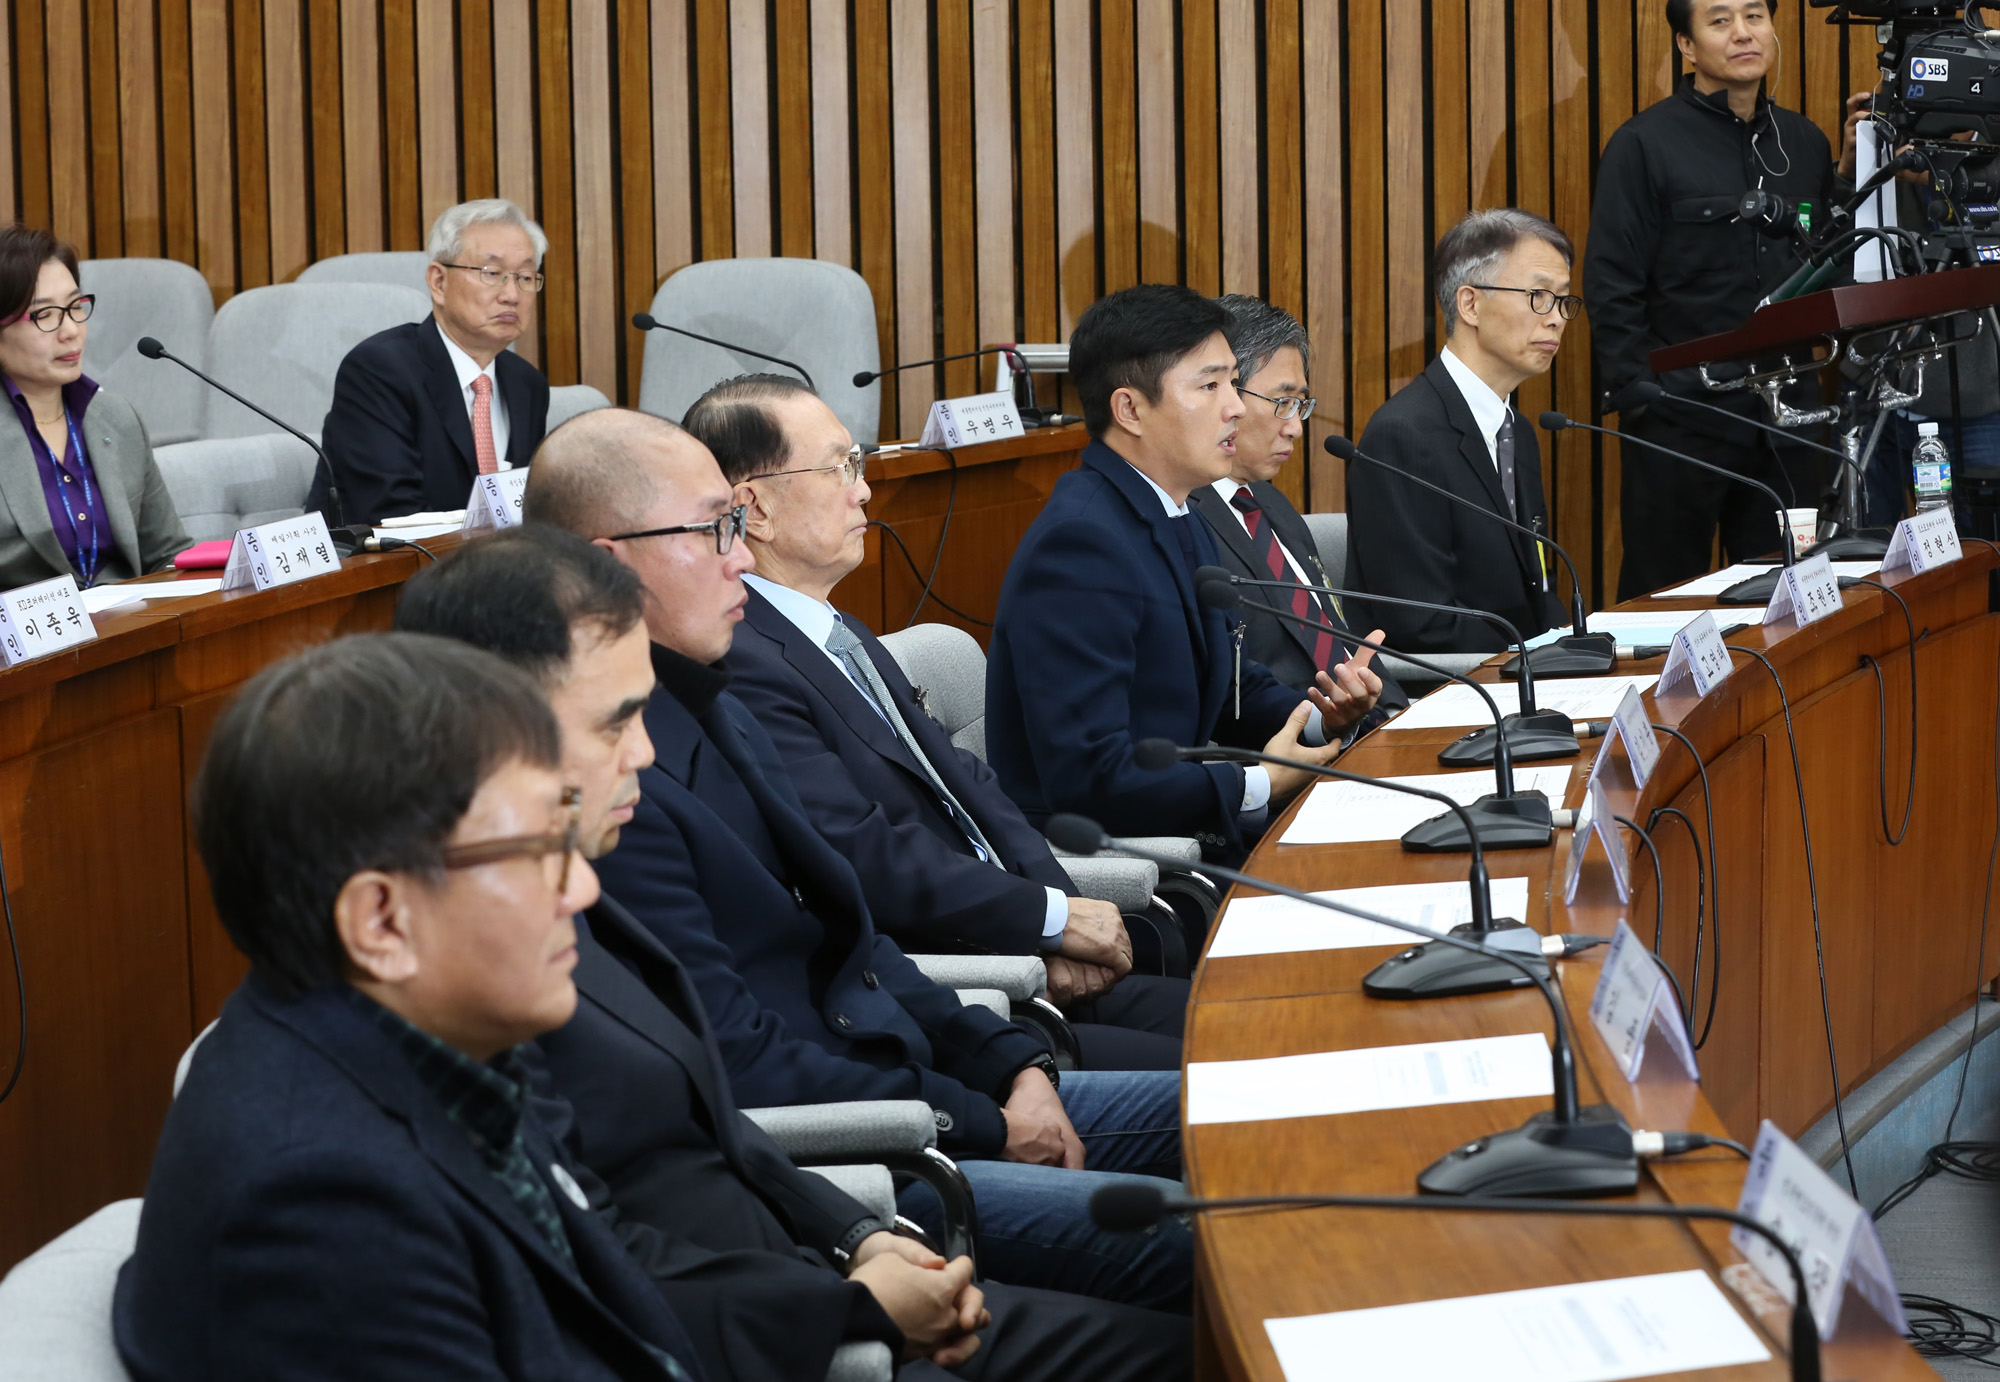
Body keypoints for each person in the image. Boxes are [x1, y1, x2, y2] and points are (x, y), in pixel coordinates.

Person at [395, 522, 1194, 1380]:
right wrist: (860, 1292)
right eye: (616, 720)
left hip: (837, 1214)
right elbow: (607, 1250)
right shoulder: (516, 936)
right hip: (836, 1236)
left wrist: (862, 1234)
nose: (643, 749)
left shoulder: (680, 748)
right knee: (1201, 1292)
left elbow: (735, 1109)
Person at [521, 407, 1194, 1311]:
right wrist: (985, 1113)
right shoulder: (616, 788)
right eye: (715, 530)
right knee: (1217, 1238)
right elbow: (743, 1061)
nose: (743, 557)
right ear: (609, 562)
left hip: (936, 1079)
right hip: (879, 1148)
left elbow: (861, 937)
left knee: (1256, 1110)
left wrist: (1009, 1064)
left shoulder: (713, 703)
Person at [114, 633, 708, 1381]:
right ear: (382, 923)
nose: (582, 888)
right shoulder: (324, 1210)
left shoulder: (437, 1036)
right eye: (537, 851)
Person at [685, 373, 1186, 1070]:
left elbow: (973, 787)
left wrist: (1060, 913)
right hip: (955, 998)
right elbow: (862, 854)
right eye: (840, 468)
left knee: (1263, 1020)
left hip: (1028, 956)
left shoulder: (836, 627)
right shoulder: (744, 661)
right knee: (1225, 1070)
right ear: (755, 509)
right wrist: (1045, 924)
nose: (863, 490)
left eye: (857, 463)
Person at [988, 284, 1381, 862]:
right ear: (1129, 410)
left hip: (1194, 832)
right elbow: (1091, 778)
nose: (1238, 407)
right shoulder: (1080, 544)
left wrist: (1321, 717)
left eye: (1232, 382)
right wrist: (1261, 782)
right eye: (1210, 385)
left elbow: (1227, 690)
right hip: (1126, 870)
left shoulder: (1175, 509)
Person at [1585, 0, 1865, 598]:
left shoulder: (1805, 142)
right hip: (1684, 417)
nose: (1743, 34)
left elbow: (1827, 261)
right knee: (1665, 598)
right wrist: (1645, 400)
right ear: (1687, 46)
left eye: (1755, 17)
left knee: (1794, 599)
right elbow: (1611, 283)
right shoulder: (1644, 144)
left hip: (1789, 418)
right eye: (1719, 21)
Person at [1344, 209, 1572, 655]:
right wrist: (1535, 656)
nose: (1556, 318)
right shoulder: (1403, 435)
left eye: (1563, 300)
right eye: (1539, 296)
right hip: (1457, 692)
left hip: (1525, 673)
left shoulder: (1518, 431)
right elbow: (1421, 622)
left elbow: (1538, 589)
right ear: (1470, 304)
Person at [1189, 295, 1407, 723]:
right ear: (1224, 393)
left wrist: (1396, 711)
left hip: (1373, 725)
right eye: (1282, 403)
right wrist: (1326, 725)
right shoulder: (1184, 516)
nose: (1295, 428)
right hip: (1294, 747)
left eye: (1301, 404)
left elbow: (1344, 645)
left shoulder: (1268, 501)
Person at [310, 198, 552, 525]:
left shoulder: (527, 384)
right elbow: (390, 519)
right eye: (492, 273)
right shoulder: (379, 370)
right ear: (439, 282)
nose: (511, 294)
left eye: (525, 277)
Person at [0, 225, 189, 589]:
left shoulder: (118, 420)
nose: (70, 329)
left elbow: (169, 555)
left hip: (131, 630)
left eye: (74, 307)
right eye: (45, 315)